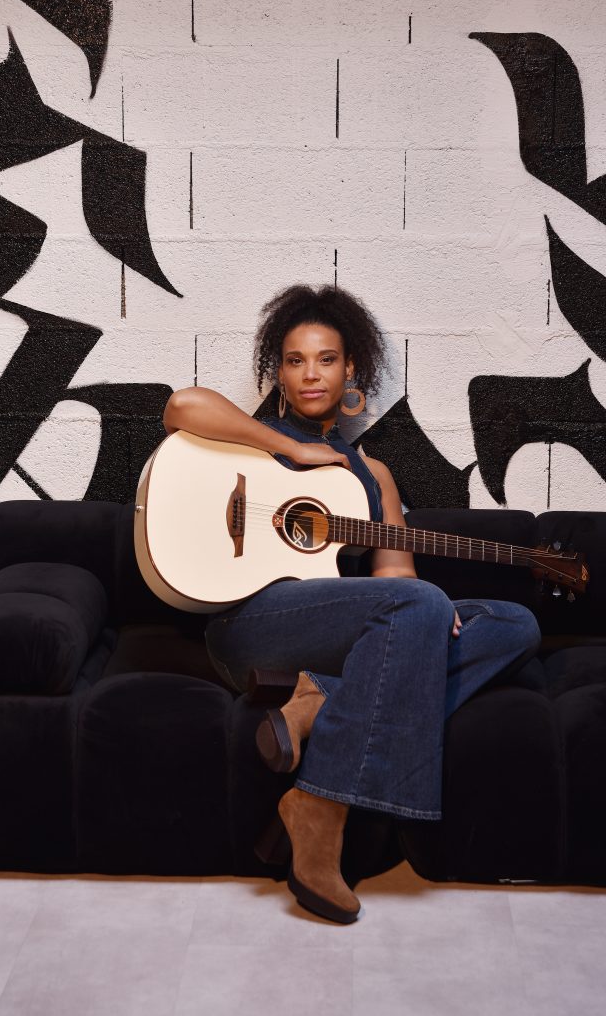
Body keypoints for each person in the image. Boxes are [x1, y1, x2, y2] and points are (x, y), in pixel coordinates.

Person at [162, 284, 540, 924]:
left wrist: (428, 608)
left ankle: (321, 701)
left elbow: (397, 575)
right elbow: (181, 406)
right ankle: (322, 808)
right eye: (295, 360)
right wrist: (292, 449)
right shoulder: (254, 440)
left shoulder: (375, 476)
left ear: (350, 370)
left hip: (338, 638)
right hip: (252, 627)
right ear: (280, 373)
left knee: (515, 624)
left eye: (326, 359)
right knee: (418, 609)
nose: (311, 373)